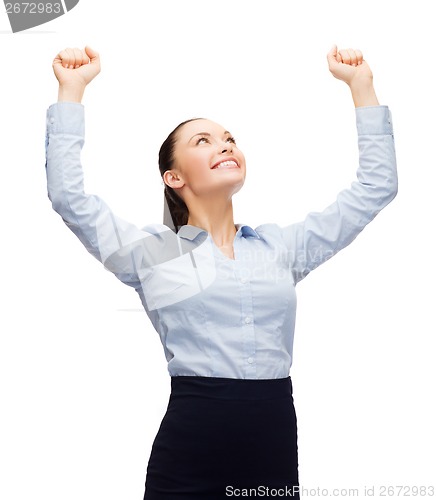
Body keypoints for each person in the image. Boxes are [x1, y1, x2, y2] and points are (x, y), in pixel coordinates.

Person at [46, 44, 398, 499]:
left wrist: (361, 87)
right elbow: (69, 198)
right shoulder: (153, 254)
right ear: (175, 178)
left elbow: (376, 187)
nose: (225, 144)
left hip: (272, 446)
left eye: (228, 137)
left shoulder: (282, 249)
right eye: (203, 141)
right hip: (190, 451)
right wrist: (71, 90)